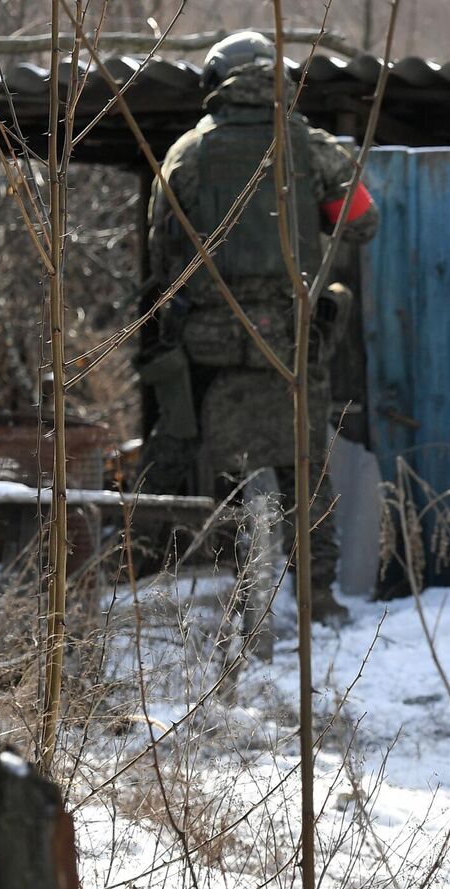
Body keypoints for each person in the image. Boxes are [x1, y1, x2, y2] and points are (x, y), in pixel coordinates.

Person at [138, 30, 379, 624]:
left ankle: (190, 580)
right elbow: (364, 222)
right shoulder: (314, 149)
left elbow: (162, 253)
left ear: (217, 78)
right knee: (306, 464)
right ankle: (317, 596)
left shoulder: (187, 153)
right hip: (291, 342)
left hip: (210, 345)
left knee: (194, 456)